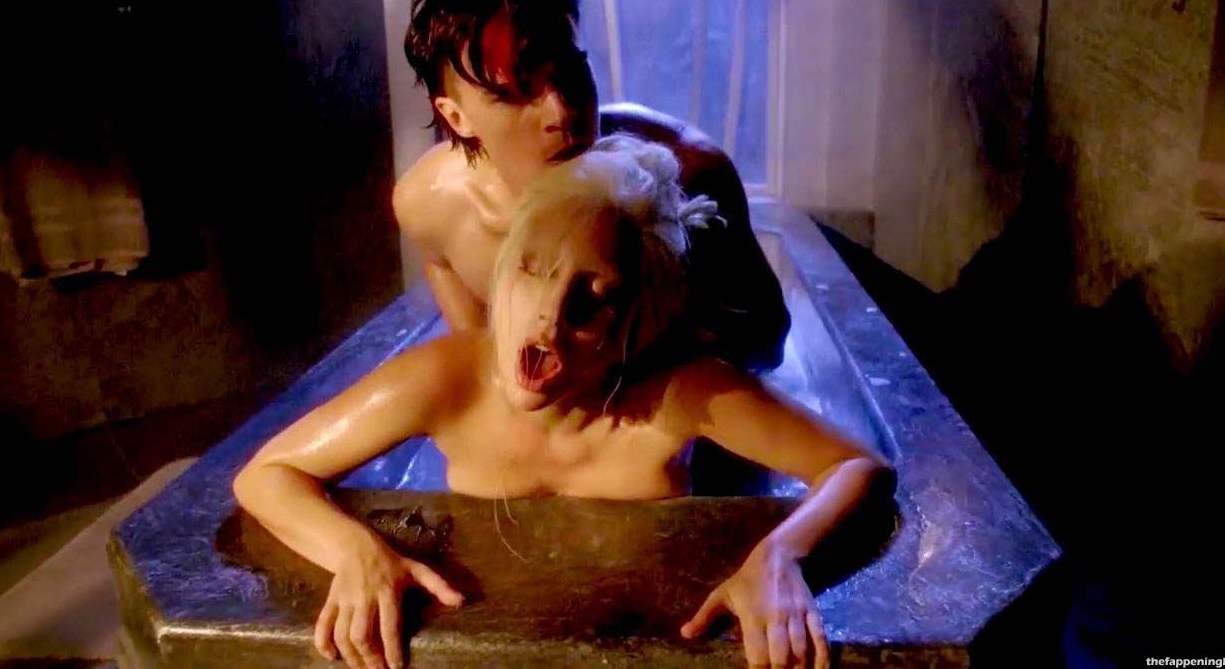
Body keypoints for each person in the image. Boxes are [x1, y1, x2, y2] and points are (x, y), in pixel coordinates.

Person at [234, 137, 893, 669]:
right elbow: (266, 473)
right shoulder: (446, 379)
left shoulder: (678, 392)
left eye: (593, 296)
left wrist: (779, 555)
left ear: (635, 322)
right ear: (503, 267)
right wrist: (355, 552)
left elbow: (854, 465)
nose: (550, 315)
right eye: (533, 269)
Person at [393, 0, 790, 372]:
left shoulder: (691, 177)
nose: (563, 112)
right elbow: (486, 371)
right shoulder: (433, 206)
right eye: (517, 93)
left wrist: (672, 318)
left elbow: (767, 344)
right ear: (457, 117)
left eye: (570, 70)